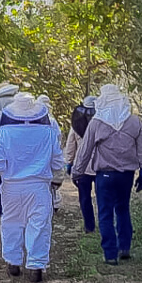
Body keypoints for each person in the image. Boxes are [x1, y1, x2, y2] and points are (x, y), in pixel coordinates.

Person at [0, 93, 66, 283]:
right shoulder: (47, 131)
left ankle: (13, 263)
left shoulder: (5, 132)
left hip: (11, 187)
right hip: (39, 186)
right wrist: (58, 178)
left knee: (11, 224)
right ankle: (36, 267)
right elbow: (57, 160)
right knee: (39, 225)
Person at [74, 84, 142, 265]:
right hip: (126, 174)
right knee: (123, 209)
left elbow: (85, 151)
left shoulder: (97, 122)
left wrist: (77, 172)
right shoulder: (133, 121)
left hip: (104, 175)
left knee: (105, 213)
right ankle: (125, 247)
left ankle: (110, 254)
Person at [64, 96, 97, 232]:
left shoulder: (76, 125)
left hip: (82, 167)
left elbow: (71, 145)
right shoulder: (103, 123)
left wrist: (69, 163)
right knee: (103, 197)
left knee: (84, 198)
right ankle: (106, 224)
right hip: (101, 166)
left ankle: (89, 227)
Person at [36, 95, 64, 213]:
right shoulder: (52, 120)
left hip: (38, 154)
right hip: (50, 153)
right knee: (51, 179)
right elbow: (58, 137)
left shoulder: (33, 119)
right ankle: (54, 202)